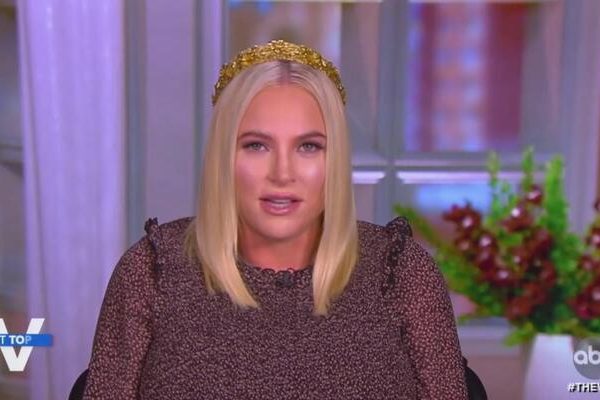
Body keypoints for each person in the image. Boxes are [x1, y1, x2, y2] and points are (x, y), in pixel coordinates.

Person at [82, 40, 468, 399]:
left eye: (308, 146)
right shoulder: (151, 271)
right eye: (256, 145)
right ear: (223, 157)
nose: (283, 173)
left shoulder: (401, 273)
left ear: (334, 160)